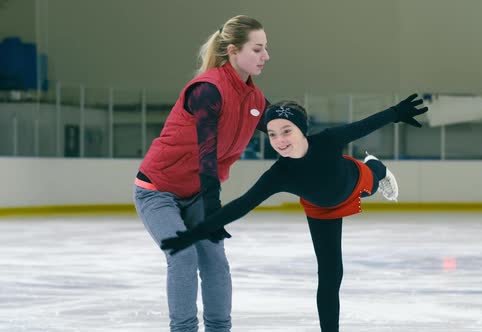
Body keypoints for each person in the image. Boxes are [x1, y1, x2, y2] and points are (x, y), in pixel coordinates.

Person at [160, 94, 429, 332]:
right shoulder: (280, 174)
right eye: (273, 134)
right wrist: (194, 233)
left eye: (286, 131)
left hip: (355, 180)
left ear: (301, 130)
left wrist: (397, 112)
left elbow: (364, 125)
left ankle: (376, 165)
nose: (279, 140)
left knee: (373, 177)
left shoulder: (327, 141)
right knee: (331, 273)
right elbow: (243, 203)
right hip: (322, 210)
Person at [133, 15, 270, 332]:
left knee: (214, 260)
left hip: (195, 193)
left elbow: (287, 127)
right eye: (258, 49)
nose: (266, 56)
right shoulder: (207, 91)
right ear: (234, 51)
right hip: (157, 190)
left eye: (266, 48)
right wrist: (213, 210)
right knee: (182, 255)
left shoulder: (253, 98)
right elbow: (206, 155)